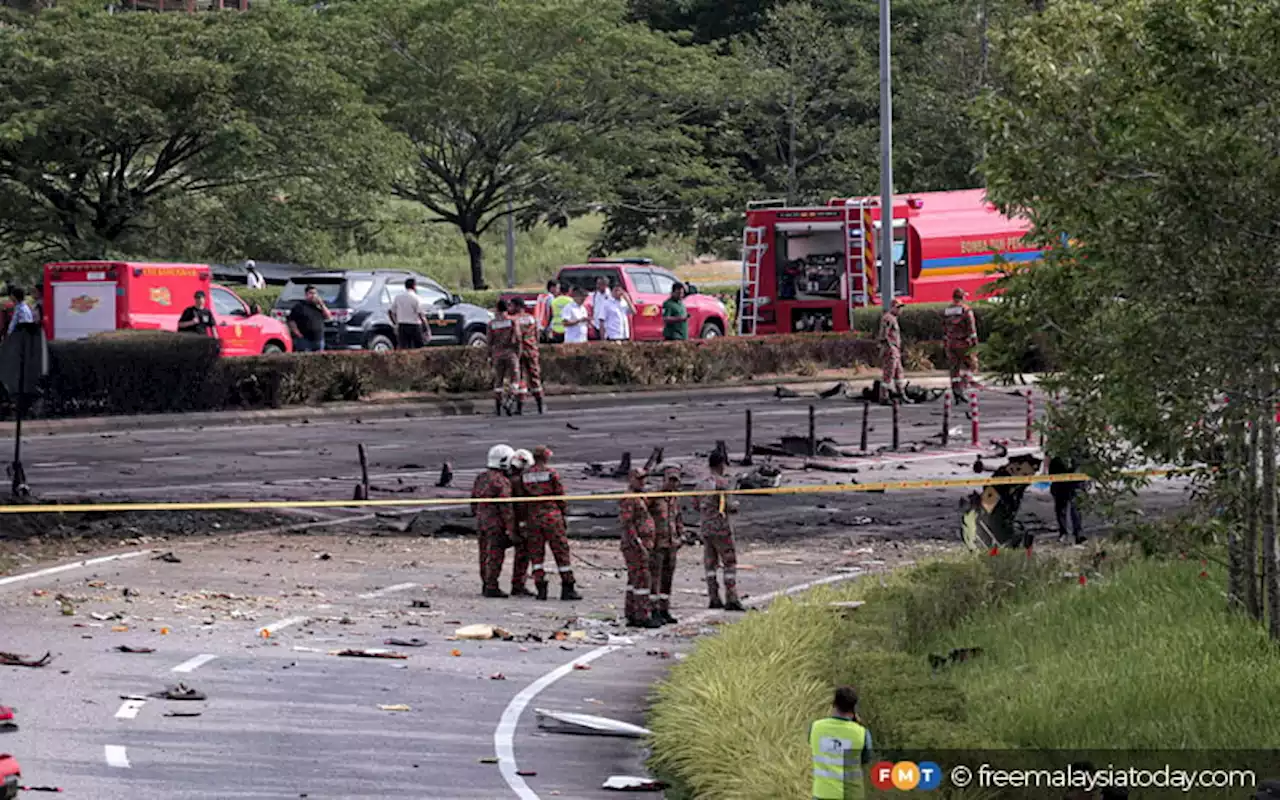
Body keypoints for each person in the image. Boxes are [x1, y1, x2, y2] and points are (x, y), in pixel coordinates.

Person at [520, 446, 582, 601]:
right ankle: (567, 587)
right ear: (545, 457)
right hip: (552, 516)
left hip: (533, 518)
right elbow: (559, 495)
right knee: (561, 552)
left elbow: (522, 498)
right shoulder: (551, 473)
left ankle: (541, 587)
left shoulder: (525, 474)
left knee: (536, 555)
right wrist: (563, 513)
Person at [695, 450, 743, 611]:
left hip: (706, 528)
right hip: (722, 528)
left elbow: (695, 504)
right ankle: (731, 597)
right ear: (721, 464)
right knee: (729, 563)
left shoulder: (701, 483)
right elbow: (729, 506)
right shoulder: (722, 483)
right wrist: (736, 505)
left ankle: (713, 596)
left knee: (710, 565)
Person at [810, 686, 873, 800]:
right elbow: (865, 759)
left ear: (833, 704)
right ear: (854, 709)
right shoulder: (862, 733)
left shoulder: (815, 728)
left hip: (822, 795)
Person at [619, 468, 662, 628]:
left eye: (644, 478)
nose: (642, 481)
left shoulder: (640, 497)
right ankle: (642, 615)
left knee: (635, 579)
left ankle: (632, 612)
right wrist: (638, 544)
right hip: (635, 546)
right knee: (643, 579)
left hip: (643, 544)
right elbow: (627, 524)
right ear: (631, 479)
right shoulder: (629, 498)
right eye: (639, 478)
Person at [472, 444, 516, 598]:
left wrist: (476, 514)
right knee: (495, 555)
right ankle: (492, 585)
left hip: (481, 521)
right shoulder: (502, 481)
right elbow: (506, 506)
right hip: (495, 524)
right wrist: (511, 527)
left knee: (484, 554)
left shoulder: (481, 478)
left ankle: (486, 583)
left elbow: (473, 499)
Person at [646, 465, 684, 624]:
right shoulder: (654, 497)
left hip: (672, 543)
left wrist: (681, 535)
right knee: (655, 579)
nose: (673, 484)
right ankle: (653, 610)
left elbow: (678, 518)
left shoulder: (674, 499)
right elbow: (644, 516)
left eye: (676, 481)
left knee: (667, 579)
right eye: (671, 480)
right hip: (658, 544)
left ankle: (664, 609)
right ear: (664, 480)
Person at [943, 288, 980, 402]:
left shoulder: (947, 311)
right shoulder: (966, 310)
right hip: (963, 343)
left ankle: (956, 391)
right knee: (971, 365)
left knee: (954, 368)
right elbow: (971, 330)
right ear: (962, 297)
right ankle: (963, 387)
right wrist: (975, 345)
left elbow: (944, 328)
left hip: (950, 343)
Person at [507, 448, 535, 596]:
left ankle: (490, 583)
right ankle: (518, 585)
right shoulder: (520, 482)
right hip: (519, 523)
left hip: (503, 522)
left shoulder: (506, 479)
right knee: (523, 554)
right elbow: (522, 506)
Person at [510, 298, 544, 414]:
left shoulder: (514, 320)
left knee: (521, 378)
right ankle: (540, 405)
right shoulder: (532, 318)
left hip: (519, 352)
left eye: (512, 306)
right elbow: (537, 335)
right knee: (535, 377)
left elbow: (514, 337)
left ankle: (520, 407)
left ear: (518, 307)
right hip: (532, 351)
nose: (510, 308)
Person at [488, 299, 521, 416]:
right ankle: (510, 401)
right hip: (510, 353)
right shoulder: (512, 321)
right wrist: (518, 353)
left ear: (497, 309)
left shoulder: (492, 323)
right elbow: (518, 338)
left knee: (498, 381)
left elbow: (489, 342)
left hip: (497, 354)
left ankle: (497, 408)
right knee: (515, 379)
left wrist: (489, 357)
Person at [1050, 450, 1087, 545]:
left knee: (1076, 508)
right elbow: (1049, 454)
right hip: (1059, 477)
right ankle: (1063, 534)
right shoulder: (1056, 441)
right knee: (1061, 509)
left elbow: (1086, 458)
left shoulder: (1080, 442)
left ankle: (1079, 534)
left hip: (1076, 479)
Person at [877, 297, 906, 403]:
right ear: (893, 308)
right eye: (898, 307)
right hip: (891, 350)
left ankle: (901, 394)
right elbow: (884, 335)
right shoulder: (888, 318)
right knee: (888, 373)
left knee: (899, 373)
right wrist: (890, 347)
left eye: (900, 308)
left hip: (895, 350)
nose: (900, 310)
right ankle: (883, 396)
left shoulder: (893, 318)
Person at [287, 284, 331, 353]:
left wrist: (322, 304)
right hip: (305, 339)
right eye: (311, 293)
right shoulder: (299, 306)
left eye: (315, 293)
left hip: (318, 338)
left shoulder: (319, 306)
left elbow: (328, 316)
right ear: (306, 295)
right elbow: (291, 320)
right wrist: (297, 333)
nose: (313, 295)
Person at [391, 277, 430, 350]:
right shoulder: (416, 298)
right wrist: (426, 328)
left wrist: (396, 323)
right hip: (415, 326)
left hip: (402, 325)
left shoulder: (398, 297)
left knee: (403, 348)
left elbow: (392, 312)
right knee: (418, 348)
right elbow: (421, 314)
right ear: (414, 286)